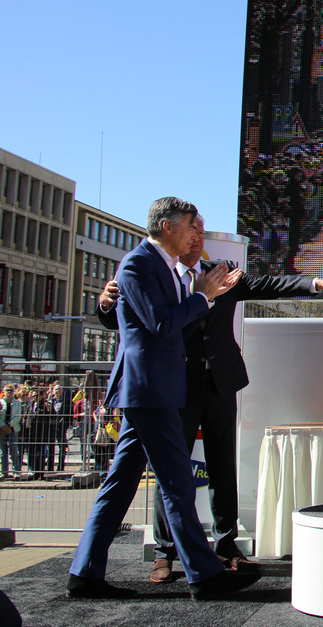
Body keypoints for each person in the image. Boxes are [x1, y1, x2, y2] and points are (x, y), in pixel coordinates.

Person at [98, 214, 323, 583]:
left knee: (222, 465)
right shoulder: (157, 274)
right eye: (192, 230)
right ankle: (165, 552)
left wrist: (315, 284)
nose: (198, 237)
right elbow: (125, 319)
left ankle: (226, 543)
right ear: (173, 233)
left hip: (219, 383)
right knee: (172, 471)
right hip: (175, 386)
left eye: (202, 231)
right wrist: (105, 304)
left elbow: (268, 284)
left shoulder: (222, 272)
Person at [67, 196, 261, 601]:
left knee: (122, 484)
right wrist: (202, 297)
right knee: (176, 484)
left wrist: (203, 297)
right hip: (149, 391)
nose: (196, 235)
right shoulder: (138, 264)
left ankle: (85, 572)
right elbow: (160, 323)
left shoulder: (164, 267)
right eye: (191, 226)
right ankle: (204, 575)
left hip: (153, 391)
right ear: (168, 227)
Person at [0, 384, 22, 479]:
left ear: (14, 392)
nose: (9, 392)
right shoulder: (0, 402)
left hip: (13, 429)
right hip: (2, 429)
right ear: (4, 391)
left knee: (13, 450)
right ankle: (4, 472)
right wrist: (3, 425)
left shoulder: (17, 403)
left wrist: (9, 425)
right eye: (7, 390)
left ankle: (16, 471)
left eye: (11, 390)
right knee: (3, 451)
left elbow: (18, 416)